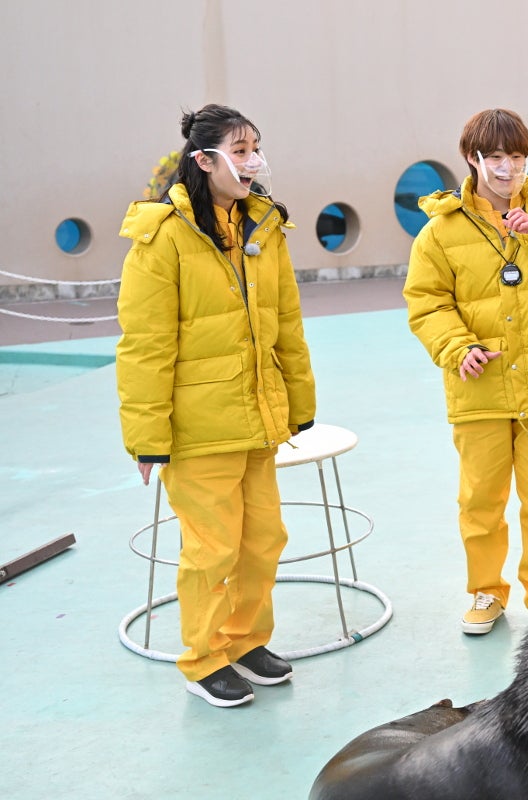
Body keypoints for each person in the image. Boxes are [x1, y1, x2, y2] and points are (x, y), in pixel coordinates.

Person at [116, 104, 317, 708]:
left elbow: (287, 321)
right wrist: (147, 438)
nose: (252, 161)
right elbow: (145, 345)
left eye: (256, 148)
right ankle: (203, 659)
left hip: (257, 416)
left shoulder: (264, 227)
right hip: (198, 428)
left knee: (263, 539)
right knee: (213, 549)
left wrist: (299, 401)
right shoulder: (163, 236)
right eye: (240, 150)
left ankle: (245, 640)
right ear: (205, 160)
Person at [404, 108, 528, 635]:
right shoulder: (440, 230)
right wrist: (456, 347)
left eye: (517, 156)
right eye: (494, 156)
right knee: (480, 498)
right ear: (471, 159)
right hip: (479, 385)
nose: (507, 168)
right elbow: (426, 302)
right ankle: (486, 591)